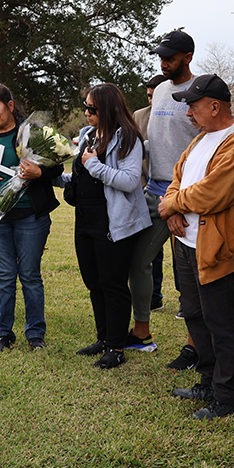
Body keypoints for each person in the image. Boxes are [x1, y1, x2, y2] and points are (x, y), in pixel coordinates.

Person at [160, 74, 234, 420]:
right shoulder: (202, 138)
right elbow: (178, 176)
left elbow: (215, 192)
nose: (188, 113)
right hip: (186, 243)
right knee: (194, 314)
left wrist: (172, 205)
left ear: (214, 106)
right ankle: (208, 379)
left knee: (221, 322)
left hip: (216, 247)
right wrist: (173, 209)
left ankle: (227, 395)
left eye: (193, 105)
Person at [61, 84, 151, 368]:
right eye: (85, 107)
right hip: (86, 219)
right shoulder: (88, 135)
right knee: (94, 282)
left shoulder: (128, 138)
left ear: (108, 109)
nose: (86, 113)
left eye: (92, 108)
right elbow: (79, 175)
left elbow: (128, 180)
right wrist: (46, 173)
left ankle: (116, 347)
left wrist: (93, 164)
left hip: (114, 222)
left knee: (113, 284)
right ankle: (104, 338)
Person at [0, 84, 62, 351]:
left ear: (9, 106)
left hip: (30, 217)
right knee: (4, 276)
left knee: (30, 275)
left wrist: (39, 174)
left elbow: (55, 167)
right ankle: (3, 334)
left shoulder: (31, 133)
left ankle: (35, 334)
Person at [129, 30, 201, 366]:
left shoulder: (201, 90)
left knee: (189, 274)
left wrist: (180, 202)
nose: (164, 63)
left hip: (187, 198)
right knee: (138, 262)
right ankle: (141, 332)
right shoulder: (159, 90)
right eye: (161, 57)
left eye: (170, 57)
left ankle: (194, 345)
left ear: (187, 56)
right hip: (154, 192)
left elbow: (210, 145)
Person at [132, 74, 169, 314]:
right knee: (148, 253)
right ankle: (153, 298)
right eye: (149, 96)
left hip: (173, 193)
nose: (153, 100)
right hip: (148, 188)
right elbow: (137, 152)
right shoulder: (139, 116)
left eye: (157, 95)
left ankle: (186, 302)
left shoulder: (179, 114)